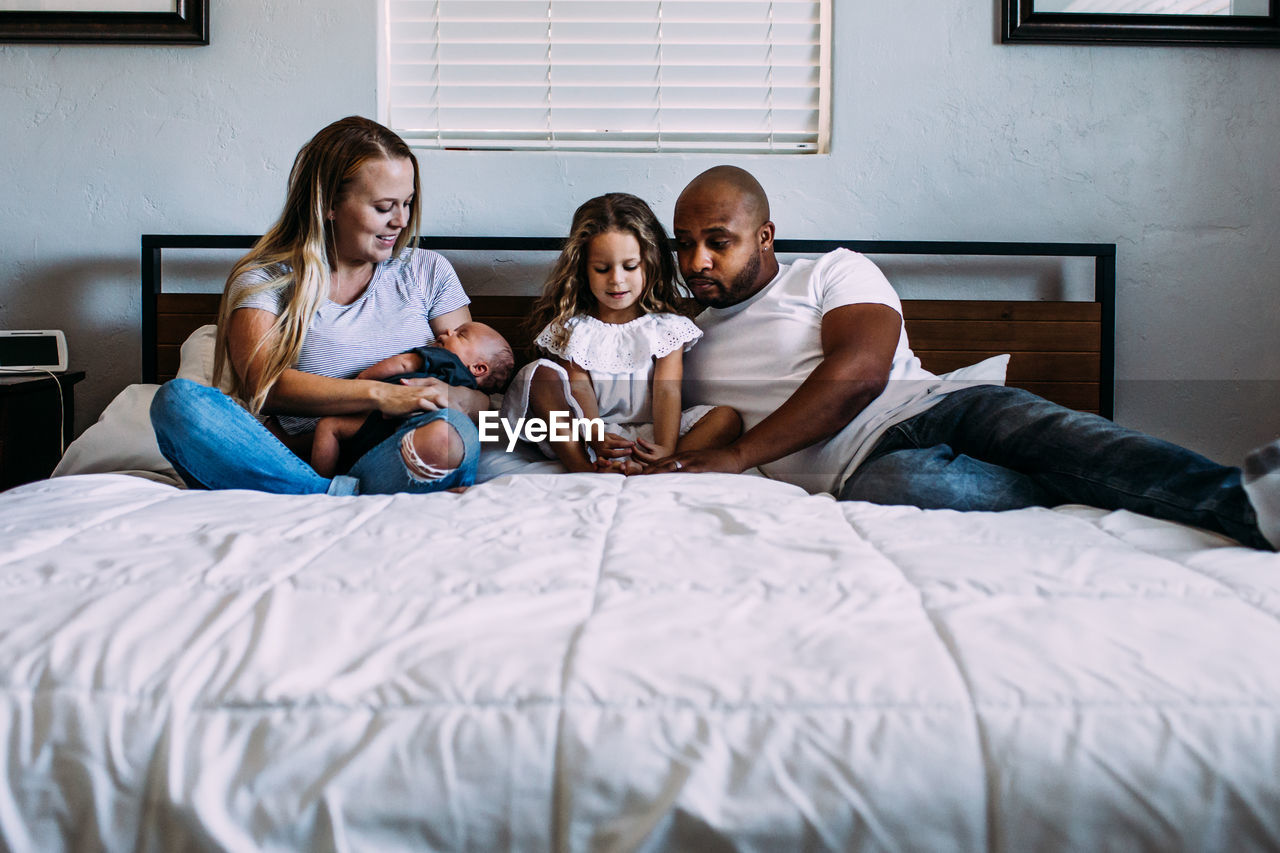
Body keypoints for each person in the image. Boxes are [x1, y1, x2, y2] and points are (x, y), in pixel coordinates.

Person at [645, 165, 1279, 552]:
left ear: (764, 236)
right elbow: (625, 411)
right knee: (910, 487)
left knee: (1075, 439)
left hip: (943, 406)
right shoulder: (681, 343)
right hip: (865, 469)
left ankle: (1251, 503)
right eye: (686, 245)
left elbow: (861, 373)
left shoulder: (835, 271)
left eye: (718, 242)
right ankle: (1064, 488)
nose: (697, 260)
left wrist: (736, 458)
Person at [149, 115, 491, 496]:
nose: (400, 220)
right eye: (383, 207)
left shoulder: (428, 271)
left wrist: (461, 397)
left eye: (407, 203)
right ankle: (326, 493)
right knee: (176, 402)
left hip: (400, 453)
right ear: (329, 204)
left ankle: (315, 498)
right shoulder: (267, 278)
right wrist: (384, 394)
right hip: (293, 460)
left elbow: (478, 387)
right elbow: (265, 384)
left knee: (449, 435)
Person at [500, 192, 740, 474]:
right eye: (602, 269)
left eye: (629, 266)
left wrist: (665, 445)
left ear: (649, 262)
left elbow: (667, 388)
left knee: (727, 419)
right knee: (538, 375)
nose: (616, 280)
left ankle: (661, 465)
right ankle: (584, 468)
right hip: (589, 435)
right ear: (583, 269)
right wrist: (595, 436)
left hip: (653, 433)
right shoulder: (574, 327)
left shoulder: (665, 327)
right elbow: (578, 387)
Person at [311, 321, 514, 477]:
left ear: (479, 368)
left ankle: (322, 483)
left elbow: (404, 364)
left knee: (329, 426)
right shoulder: (466, 392)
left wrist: (362, 379)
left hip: (386, 414)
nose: (447, 332)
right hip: (418, 435)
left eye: (460, 335)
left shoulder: (445, 358)